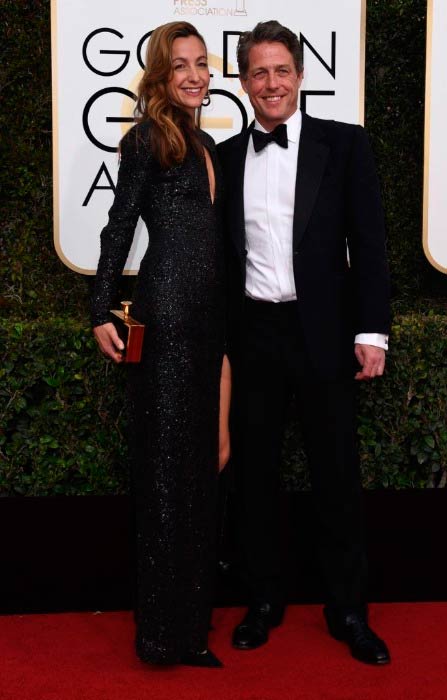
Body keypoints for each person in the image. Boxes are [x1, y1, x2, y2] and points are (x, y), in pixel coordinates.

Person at [217, 20, 391, 665]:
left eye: (281, 70)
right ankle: (263, 601)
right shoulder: (225, 157)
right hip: (254, 335)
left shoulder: (344, 146)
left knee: (336, 476)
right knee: (255, 477)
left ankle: (348, 610)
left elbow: (370, 246)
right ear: (243, 82)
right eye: (258, 72)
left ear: (299, 75)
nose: (271, 83)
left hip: (323, 333)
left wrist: (371, 331)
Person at [91, 21, 231, 668]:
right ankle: (160, 636)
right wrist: (100, 311)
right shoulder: (148, 138)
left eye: (202, 62)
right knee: (167, 473)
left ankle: (188, 627)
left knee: (197, 472)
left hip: (205, 320)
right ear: (159, 75)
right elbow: (119, 226)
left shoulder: (202, 139)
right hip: (166, 316)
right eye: (181, 65)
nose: (196, 74)